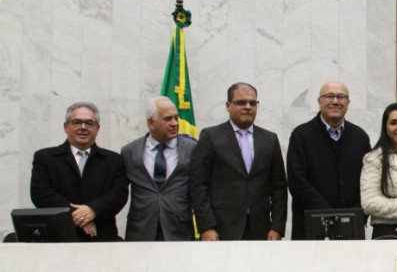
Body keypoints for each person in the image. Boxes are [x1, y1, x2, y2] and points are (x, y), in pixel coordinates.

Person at [190, 82, 288, 241]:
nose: (248, 106)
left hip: (261, 229)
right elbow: (198, 184)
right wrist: (206, 226)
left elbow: (279, 188)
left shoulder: (269, 139)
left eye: (253, 103)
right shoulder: (210, 137)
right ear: (228, 106)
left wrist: (277, 227)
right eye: (241, 102)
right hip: (221, 228)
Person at [30, 101, 128, 241]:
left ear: (97, 128)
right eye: (77, 122)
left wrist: (93, 210)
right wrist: (78, 215)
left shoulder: (114, 160)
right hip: (58, 238)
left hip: (101, 238)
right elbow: (40, 193)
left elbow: (119, 194)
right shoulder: (45, 158)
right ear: (66, 127)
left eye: (89, 123)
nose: (83, 127)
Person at [286, 80, 371, 240]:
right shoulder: (301, 136)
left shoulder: (360, 137)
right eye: (329, 96)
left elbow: (368, 180)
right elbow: (297, 182)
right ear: (319, 102)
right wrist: (330, 214)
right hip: (310, 228)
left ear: (348, 103)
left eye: (341, 97)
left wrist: (357, 214)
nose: (335, 101)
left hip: (351, 227)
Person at [121, 97, 196, 241]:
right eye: (167, 119)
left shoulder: (192, 149)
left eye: (176, 118)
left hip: (179, 229)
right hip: (141, 229)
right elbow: (118, 190)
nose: (174, 123)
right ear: (151, 123)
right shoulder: (129, 151)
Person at [360, 103, 397, 239]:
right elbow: (370, 203)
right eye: (393, 123)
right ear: (385, 127)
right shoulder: (374, 159)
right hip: (389, 234)